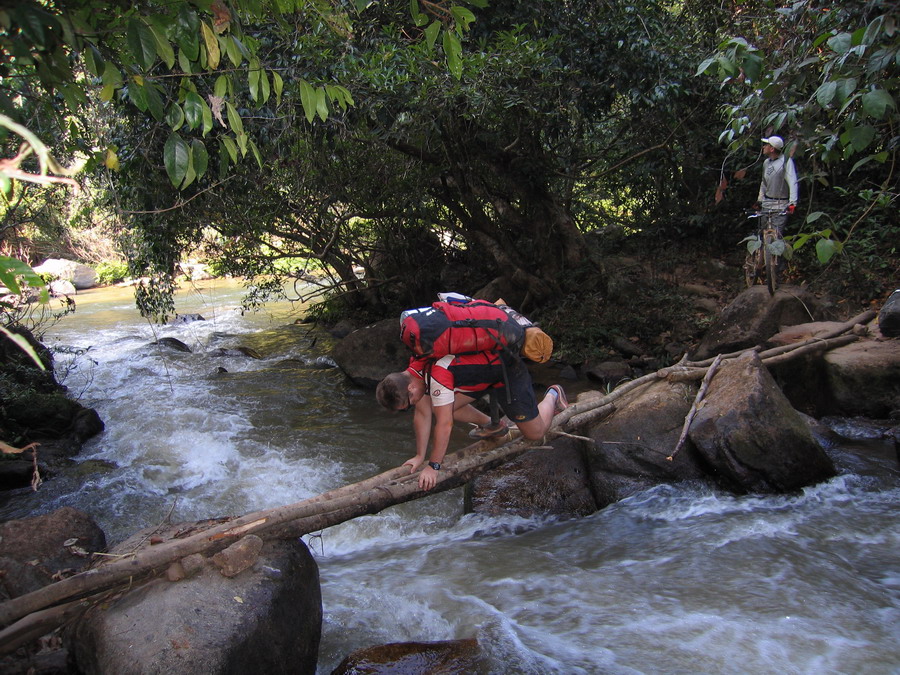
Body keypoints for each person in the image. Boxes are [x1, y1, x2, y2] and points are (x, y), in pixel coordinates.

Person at [376, 351, 568, 491]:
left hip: (505, 371)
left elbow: (445, 424)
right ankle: (492, 425)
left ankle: (553, 394)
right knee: (438, 406)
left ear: (410, 389)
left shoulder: (436, 377)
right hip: (483, 374)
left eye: (408, 404)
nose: (413, 405)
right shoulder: (417, 367)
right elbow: (423, 415)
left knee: (535, 433)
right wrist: (419, 456)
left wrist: (434, 466)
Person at [754, 135, 799, 236]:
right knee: (763, 234)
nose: (763, 147)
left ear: (772, 148)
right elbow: (764, 183)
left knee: (776, 236)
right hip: (766, 204)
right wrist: (759, 200)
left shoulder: (786, 161)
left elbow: (793, 182)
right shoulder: (766, 163)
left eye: (766, 145)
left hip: (780, 205)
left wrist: (792, 203)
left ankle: (775, 252)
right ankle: (764, 252)